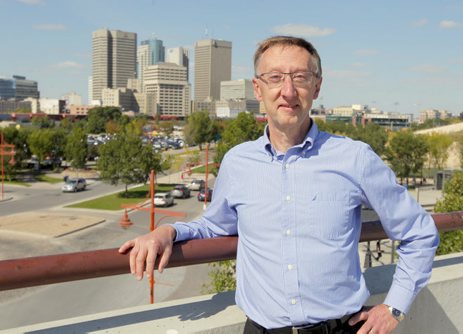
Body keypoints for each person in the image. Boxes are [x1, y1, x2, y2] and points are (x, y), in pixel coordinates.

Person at [119, 36, 439, 334]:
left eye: (300, 77)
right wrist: (168, 232)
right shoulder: (237, 162)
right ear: (258, 90)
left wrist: (394, 307)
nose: (288, 90)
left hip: (340, 327)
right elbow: (215, 225)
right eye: (275, 78)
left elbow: (419, 232)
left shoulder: (355, 158)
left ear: (317, 87)